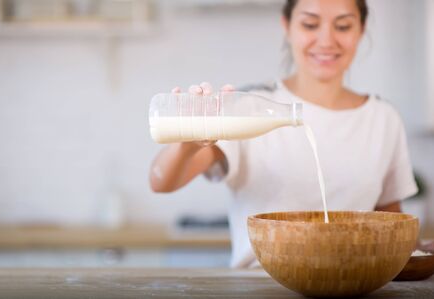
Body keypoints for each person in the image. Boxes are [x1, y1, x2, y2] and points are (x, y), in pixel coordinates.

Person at [150, 0, 433, 268]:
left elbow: (394, 228)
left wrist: (422, 250)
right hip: (258, 289)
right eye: (310, 25)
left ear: (361, 29)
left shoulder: (383, 119)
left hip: (350, 285)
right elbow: (161, 181)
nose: (326, 40)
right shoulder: (246, 107)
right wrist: (188, 144)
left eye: (343, 26)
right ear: (287, 26)